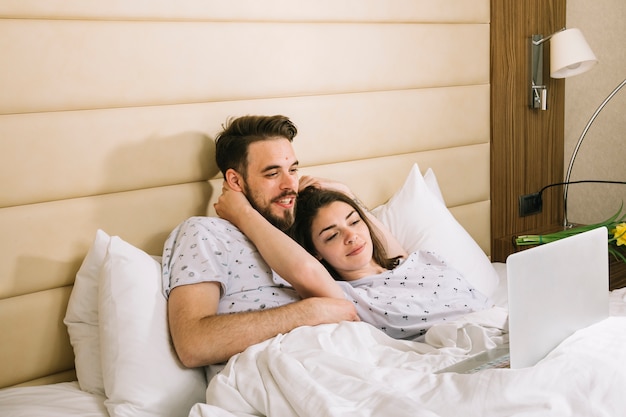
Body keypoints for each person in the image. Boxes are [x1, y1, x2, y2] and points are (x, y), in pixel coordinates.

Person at [162, 115, 361, 374]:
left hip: (352, 355)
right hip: (287, 372)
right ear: (235, 181)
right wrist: (309, 312)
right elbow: (193, 343)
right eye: (273, 173)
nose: (291, 185)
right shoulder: (206, 233)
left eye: (293, 170)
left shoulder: (303, 232)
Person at [215, 185, 492, 341]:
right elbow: (303, 269)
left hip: (504, 329)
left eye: (355, 221)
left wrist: (343, 190)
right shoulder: (347, 298)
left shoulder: (420, 260)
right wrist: (243, 213)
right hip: (466, 351)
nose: (351, 236)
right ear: (317, 253)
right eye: (332, 235)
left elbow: (387, 248)